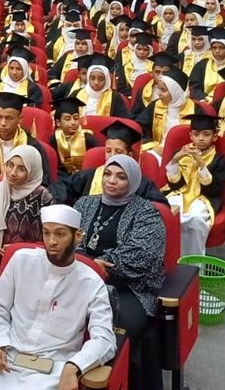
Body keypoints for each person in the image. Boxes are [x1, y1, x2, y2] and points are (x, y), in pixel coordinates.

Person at [0, 205, 115, 390]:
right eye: (46, 233)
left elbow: (104, 339)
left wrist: (74, 366)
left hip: (49, 372)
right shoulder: (21, 260)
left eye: (60, 234)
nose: (51, 241)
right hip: (3, 356)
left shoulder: (91, 282)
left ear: (77, 236)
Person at [74, 154, 166, 390]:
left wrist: (97, 263)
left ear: (133, 181)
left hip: (128, 289)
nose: (111, 180)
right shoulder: (84, 203)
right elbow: (68, 240)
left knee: (116, 332)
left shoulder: (147, 212)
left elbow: (141, 255)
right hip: (79, 280)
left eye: (120, 177)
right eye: (107, 174)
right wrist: (89, 264)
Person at [161, 109, 225, 255]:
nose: (201, 138)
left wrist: (200, 163)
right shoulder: (181, 154)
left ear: (214, 136)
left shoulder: (220, 159)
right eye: (196, 134)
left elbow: (213, 190)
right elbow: (175, 185)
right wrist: (175, 160)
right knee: (167, 213)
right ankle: (169, 259)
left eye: (206, 134)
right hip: (179, 193)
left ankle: (193, 263)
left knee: (196, 219)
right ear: (191, 135)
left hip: (203, 198)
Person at [0, 144, 54, 254]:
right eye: (10, 165)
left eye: (21, 169)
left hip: (23, 258)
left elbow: (51, 238)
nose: (13, 173)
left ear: (32, 171)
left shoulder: (42, 196)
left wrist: (18, 248)